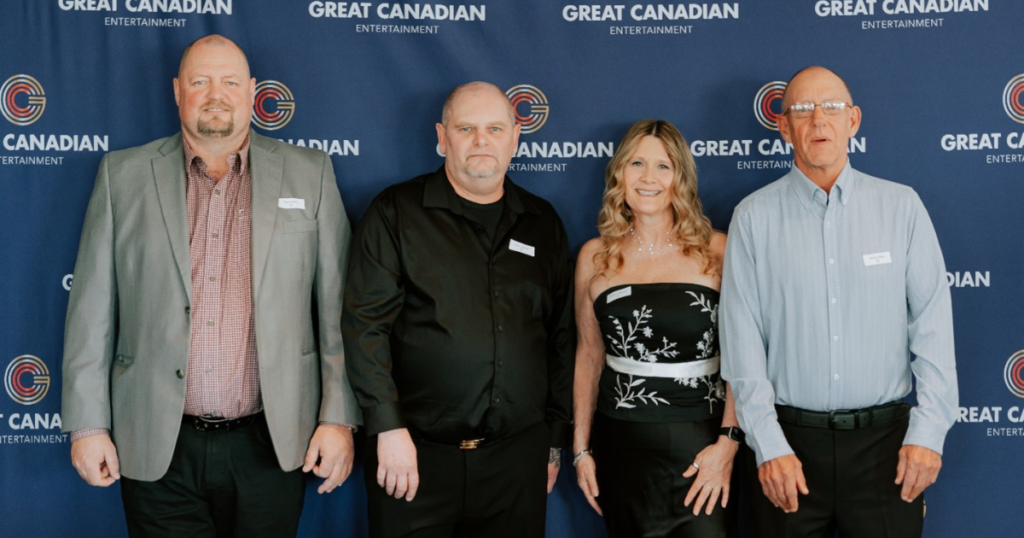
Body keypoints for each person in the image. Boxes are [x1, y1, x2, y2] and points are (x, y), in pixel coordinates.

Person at [61, 35, 361, 537]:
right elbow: (91, 309)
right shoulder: (122, 176)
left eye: (229, 82)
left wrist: (339, 419)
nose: (214, 94)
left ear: (252, 91)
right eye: (200, 82)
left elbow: (337, 312)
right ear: (178, 91)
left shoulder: (311, 174)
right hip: (157, 442)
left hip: (274, 440)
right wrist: (88, 427)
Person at [720, 66, 958, 538]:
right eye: (802, 110)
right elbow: (742, 343)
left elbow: (933, 328)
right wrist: (767, 445)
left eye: (830, 107)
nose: (818, 121)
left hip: (886, 451)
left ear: (853, 120)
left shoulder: (902, 207)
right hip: (786, 451)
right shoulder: (752, 218)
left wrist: (928, 435)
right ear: (783, 126)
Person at [342, 81, 575, 538]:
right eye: (466, 128)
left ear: (515, 137)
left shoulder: (543, 221)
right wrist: (387, 429)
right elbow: (364, 326)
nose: (481, 140)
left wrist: (551, 443)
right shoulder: (396, 213)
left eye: (494, 128)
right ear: (442, 137)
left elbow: (560, 338)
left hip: (516, 462)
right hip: (413, 459)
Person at [573, 119, 741, 538]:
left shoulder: (718, 250)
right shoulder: (595, 256)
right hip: (622, 447)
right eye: (636, 164)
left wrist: (729, 442)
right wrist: (581, 450)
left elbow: (746, 352)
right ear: (619, 174)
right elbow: (589, 356)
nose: (648, 178)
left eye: (663, 166)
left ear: (680, 176)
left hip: (701, 444)